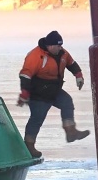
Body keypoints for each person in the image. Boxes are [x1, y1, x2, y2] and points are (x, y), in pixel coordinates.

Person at [17, 30, 90, 158]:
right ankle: (29, 145)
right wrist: (24, 93)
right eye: (58, 46)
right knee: (37, 119)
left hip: (54, 90)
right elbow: (25, 74)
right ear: (50, 46)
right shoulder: (35, 56)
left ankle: (70, 131)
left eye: (61, 45)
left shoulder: (62, 53)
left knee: (67, 102)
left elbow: (71, 63)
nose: (61, 48)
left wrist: (78, 75)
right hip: (38, 93)